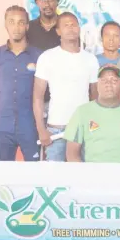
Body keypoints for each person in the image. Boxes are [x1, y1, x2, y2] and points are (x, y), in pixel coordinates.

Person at [33, 12, 100, 162]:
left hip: (82, 129)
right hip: (56, 130)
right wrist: (41, 129)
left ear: (79, 28)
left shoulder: (90, 60)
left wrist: (92, 126)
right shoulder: (47, 57)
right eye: (66, 25)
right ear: (58, 31)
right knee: (55, 180)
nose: (70, 28)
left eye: (73, 24)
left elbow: (95, 96)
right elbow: (37, 96)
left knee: (82, 178)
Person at [0, 5, 42, 161]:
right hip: (3, 125)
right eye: (11, 22)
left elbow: (41, 92)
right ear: (6, 25)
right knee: (4, 174)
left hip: (30, 125)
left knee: (35, 171)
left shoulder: (38, 55)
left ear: (27, 26)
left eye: (21, 22)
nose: (16, 27)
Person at [64, 66, 120, 163]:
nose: (109, 84)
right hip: (92, 175)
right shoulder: (82, 112)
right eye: (104, 80)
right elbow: (72, 155)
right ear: (97, 85)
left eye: (114, 80)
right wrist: (85, 176)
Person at [26, 0, 62, 130]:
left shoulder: (66, 26)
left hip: (60, 99)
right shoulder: (28, 28)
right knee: (37, 142)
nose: (47, 3)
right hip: (36, 98)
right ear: (36, 2)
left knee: (59, 148)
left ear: (57, 1)